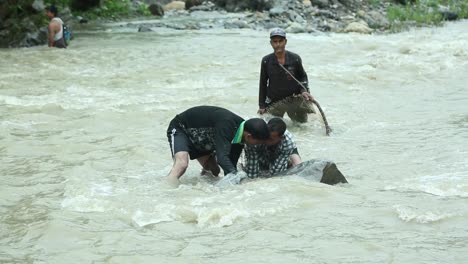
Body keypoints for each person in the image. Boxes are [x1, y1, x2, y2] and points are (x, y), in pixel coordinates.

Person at [166, 105, 270, 186]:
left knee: (214, 171)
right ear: (249, 136)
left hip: (200, 138)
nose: (257, 146)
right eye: (258, 142)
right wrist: (238, 176)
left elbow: (230, 164)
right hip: (181, 128)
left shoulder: (242, 134)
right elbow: (222, 157)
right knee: (182, 164)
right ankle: (168, 190)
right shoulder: (227, 124)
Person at [258, 28, 315, 123]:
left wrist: (304, 91)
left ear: (285, 42)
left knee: (301, 125)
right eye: (275, 42)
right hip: (275, 100)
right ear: (271, 43)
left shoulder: (295, 59)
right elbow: (263, 83)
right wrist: (262, 105)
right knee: (274, 127)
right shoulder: (266, 61)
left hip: (294, 98)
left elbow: (303, 77)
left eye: (281, 41)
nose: (278, 44)